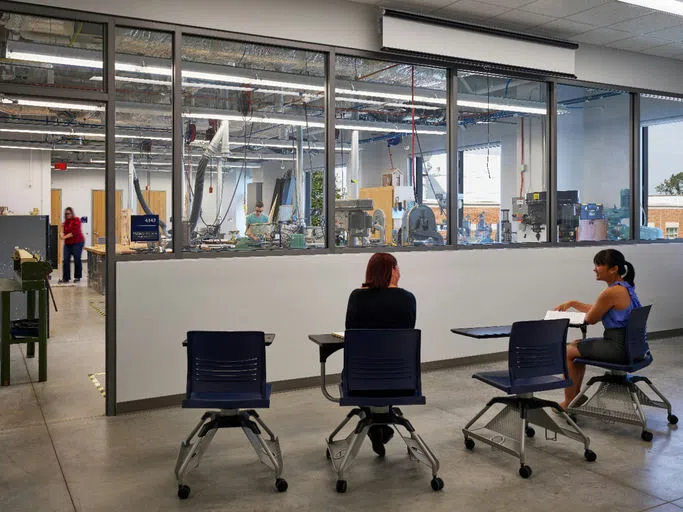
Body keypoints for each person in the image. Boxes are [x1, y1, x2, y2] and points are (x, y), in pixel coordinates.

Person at [345, 253, 417, 457]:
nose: (400, 273)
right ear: (392, 271)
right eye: (398, 268)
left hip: (360, 379)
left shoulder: (357, 297)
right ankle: (381, 422)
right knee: (386, 374)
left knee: (367, 377)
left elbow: (350, 332)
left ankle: (375, 424)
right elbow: (405, 333)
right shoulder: (407, 299)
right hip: (401, 378)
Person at [554, 249, 641, 411]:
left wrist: (569, 314)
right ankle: (574, 398)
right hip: (633, 347)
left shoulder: (611, 292)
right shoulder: (626, 287)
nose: (595, 268)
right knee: (576, 344)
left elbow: (591, 319)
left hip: (618, 348)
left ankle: (568, 402)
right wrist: (573, 303)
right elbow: (597, 309)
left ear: (613, 269)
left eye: (599, 265)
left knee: (568, 351)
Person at [59, 207, 85, 284]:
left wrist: (64, 237)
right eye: (66, 214)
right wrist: (60, 233)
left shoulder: (77, 220)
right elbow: (62, 233)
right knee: (66, 260)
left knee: (77, 259)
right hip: (68, 243)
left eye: (69, 213)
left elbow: (74, 232)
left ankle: (77, 277)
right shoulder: (65, 223)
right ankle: (66, 278)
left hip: (78, 242)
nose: (67, 215)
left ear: (72, 213)